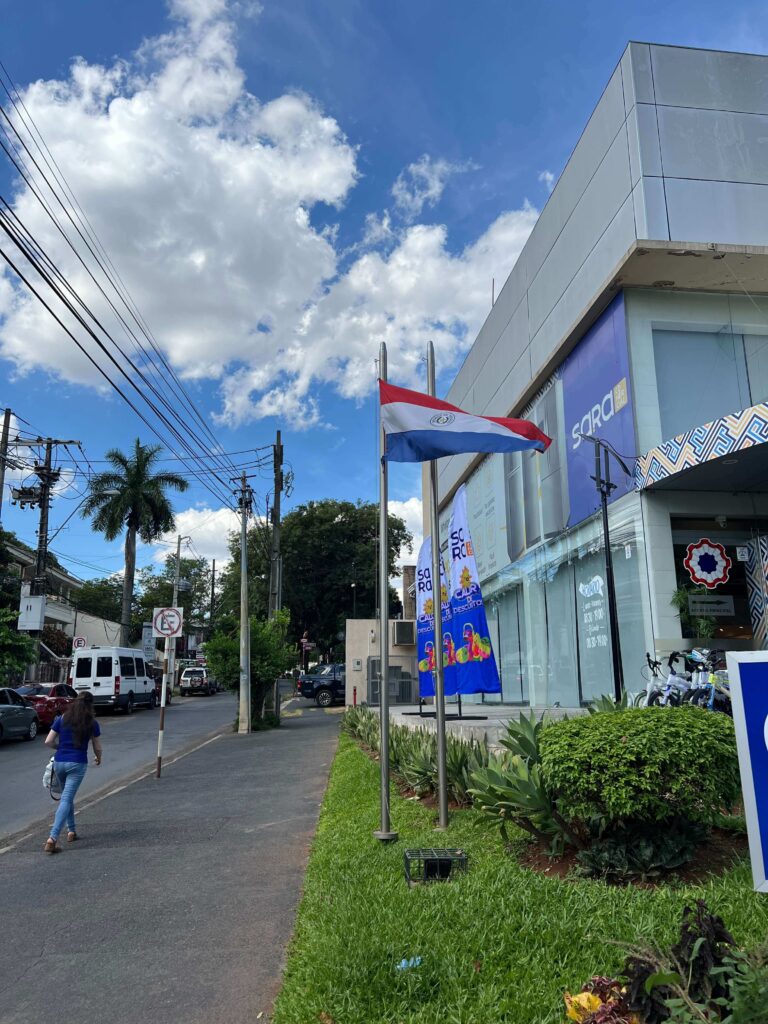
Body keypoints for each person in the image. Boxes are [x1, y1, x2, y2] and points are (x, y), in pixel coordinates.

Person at [43, 691, 103, 854]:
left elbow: (48, 741)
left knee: (66, 798)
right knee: (66, 799)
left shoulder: (62, 718)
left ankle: (72, 831)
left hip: (59, 762)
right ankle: (52, 838)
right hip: (77, 763)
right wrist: (98, 758)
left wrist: (60, 749)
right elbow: (97, 746)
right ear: (91, 704)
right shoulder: (92, 722)